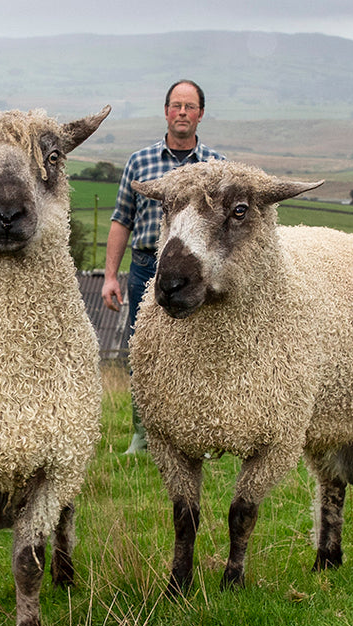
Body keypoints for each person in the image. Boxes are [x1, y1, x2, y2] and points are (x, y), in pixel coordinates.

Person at [101, 79, 225, 454]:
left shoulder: (216, 167)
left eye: (189, 106)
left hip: (197, 271)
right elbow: (121, 219)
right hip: (145, 266)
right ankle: (143, 435)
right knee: (144, 349)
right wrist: (109, 276)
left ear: (201, 114)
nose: (182, 113)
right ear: (166, 111)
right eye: (176, 105)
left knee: (200, 348)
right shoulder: (140, 162)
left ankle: (198, 436)